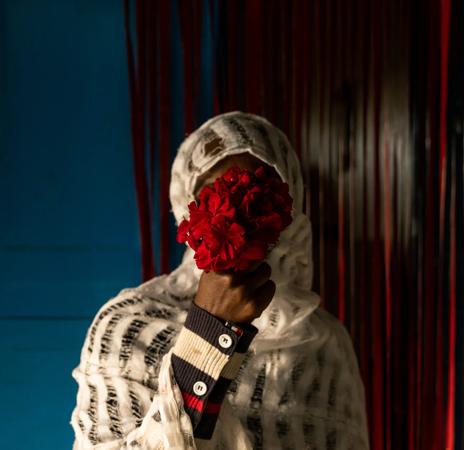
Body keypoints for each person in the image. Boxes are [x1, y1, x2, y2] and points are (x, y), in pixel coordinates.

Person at [69, 111, 370, 449]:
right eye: (219, 201)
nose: (241, 223)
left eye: (259, 199)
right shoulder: (131, 327)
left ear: (289, 210)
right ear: (188, 208)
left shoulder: (324, 344)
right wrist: (210, 330)